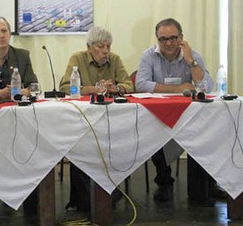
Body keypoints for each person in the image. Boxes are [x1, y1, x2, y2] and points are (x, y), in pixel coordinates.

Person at [135, 18, 214, 202]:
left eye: (173, 38)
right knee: (153, 130)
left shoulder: (192, 55)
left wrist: (191, 62)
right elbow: (140, 84)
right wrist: (177, 89)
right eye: (163, 39)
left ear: (181, 37)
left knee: (204, 131)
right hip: (157, 116)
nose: (168, 43)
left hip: (189, 116)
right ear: (157, 39)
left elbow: (207, 86)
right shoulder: (148, 56)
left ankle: (201, 188)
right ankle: (164, 181)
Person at [60, 26, 134, 212]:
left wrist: (115, 89)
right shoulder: (77, 59)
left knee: (116, 145)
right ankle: (85, 199)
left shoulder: (115, 60)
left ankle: (107, 192)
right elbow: (65, 87)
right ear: (89, 47)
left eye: (108, 46)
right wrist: (94, 89)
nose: (106, 51)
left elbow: (129, 85)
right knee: (80, 147)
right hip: (82, 119)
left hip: (111, 119)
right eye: (101, 47)